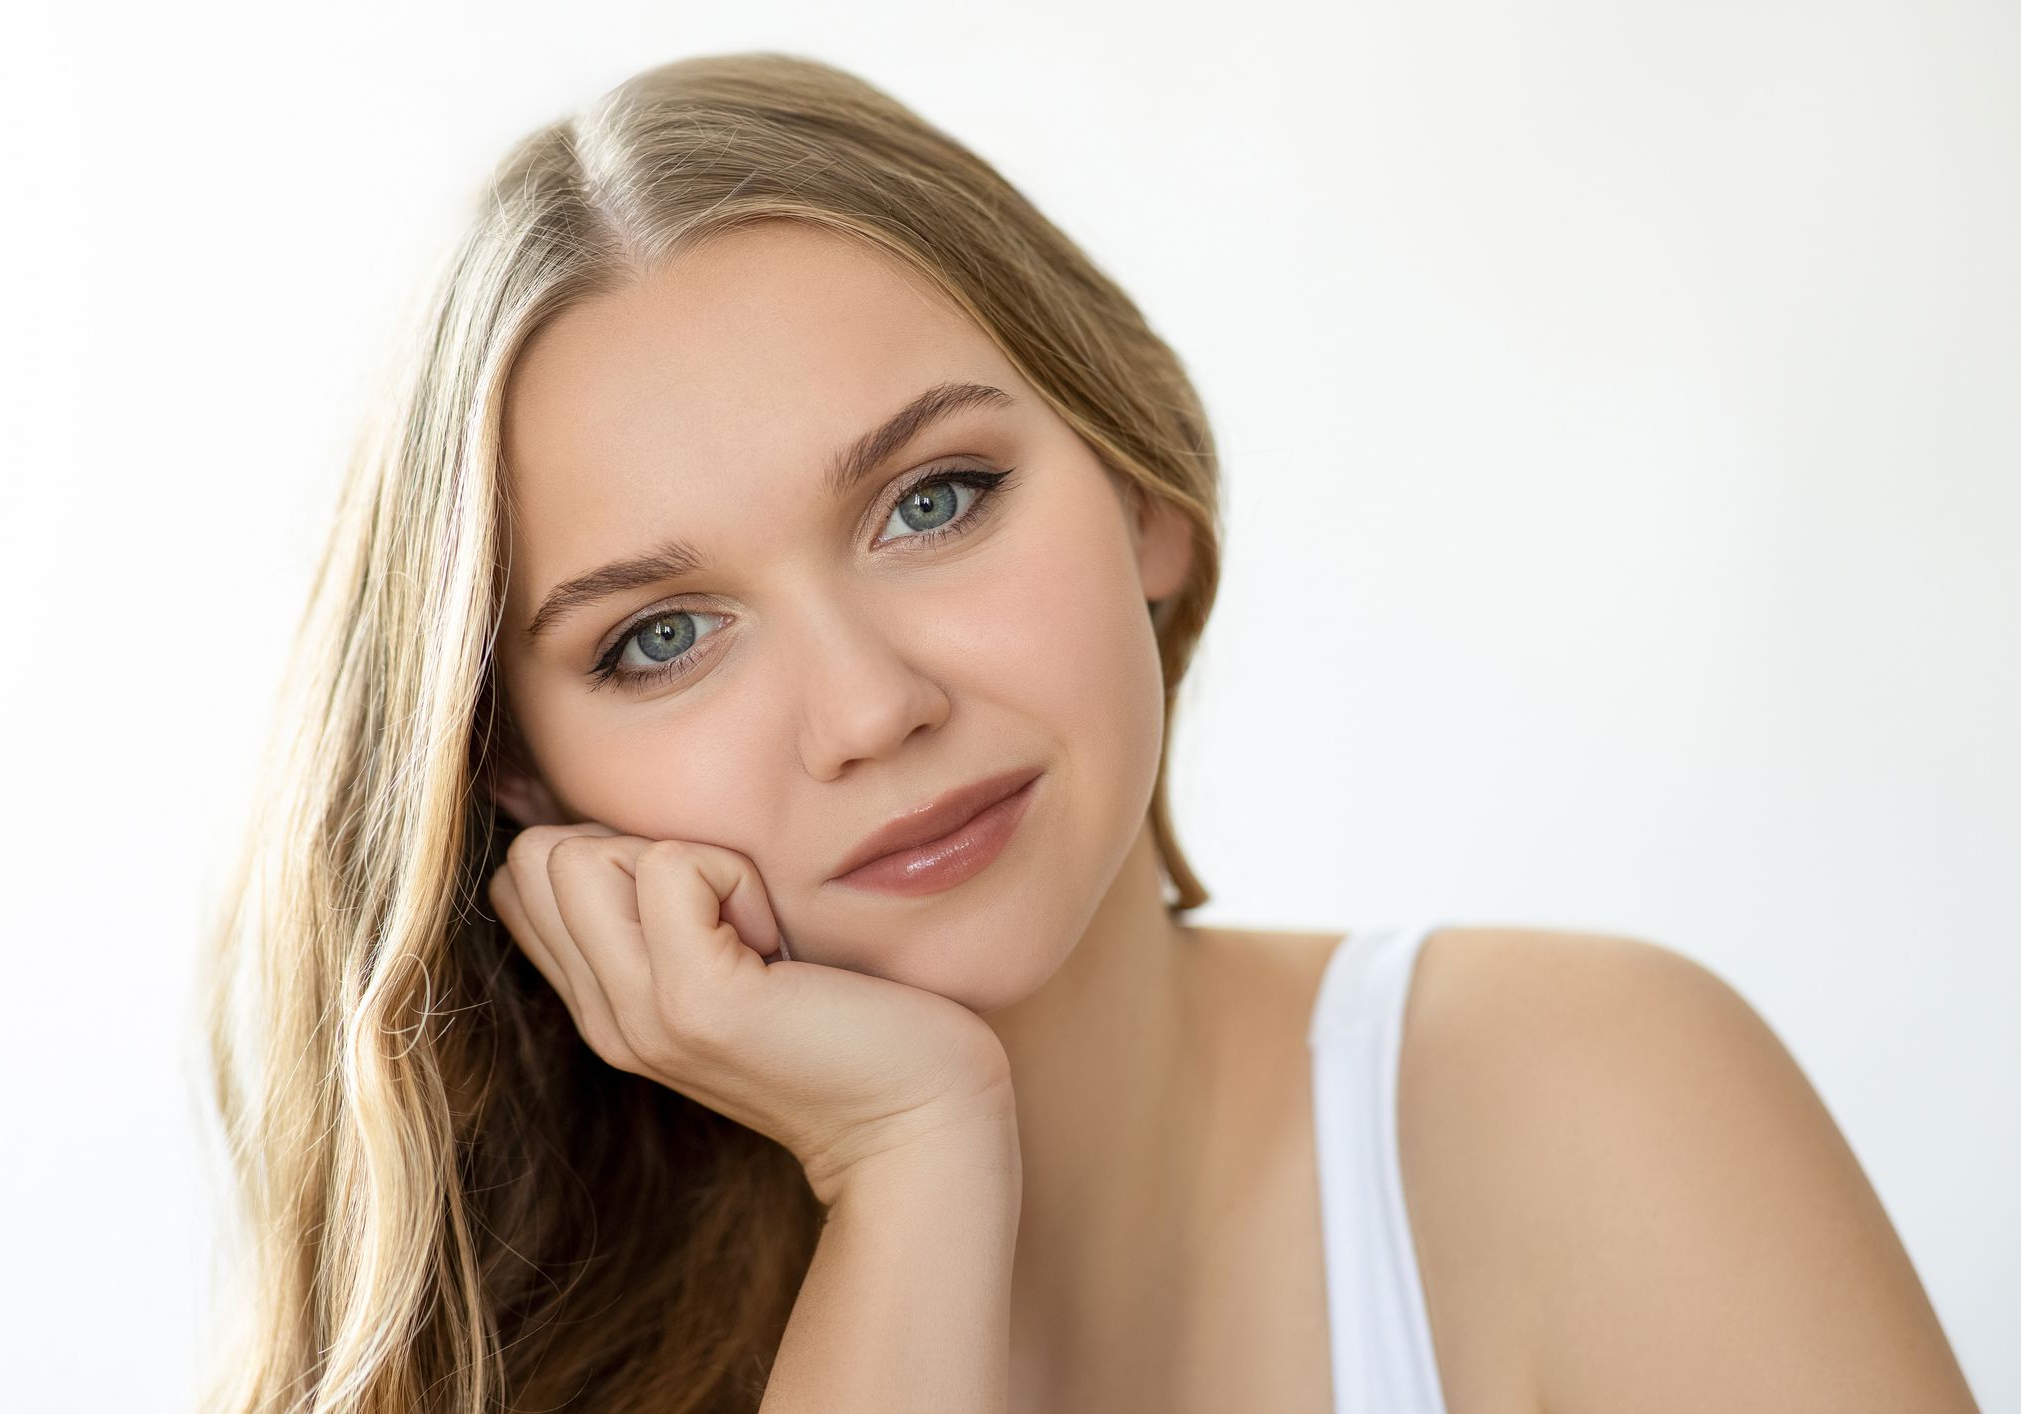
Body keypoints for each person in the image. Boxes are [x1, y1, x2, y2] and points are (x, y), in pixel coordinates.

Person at [195, 50, 1981, 1414]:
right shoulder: (498, 1353)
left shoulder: (1578, 1094)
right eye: (661, 637)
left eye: (936, 499)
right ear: (520, 778)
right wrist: (912, 1165)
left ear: (1142, 495)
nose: (874, 709)